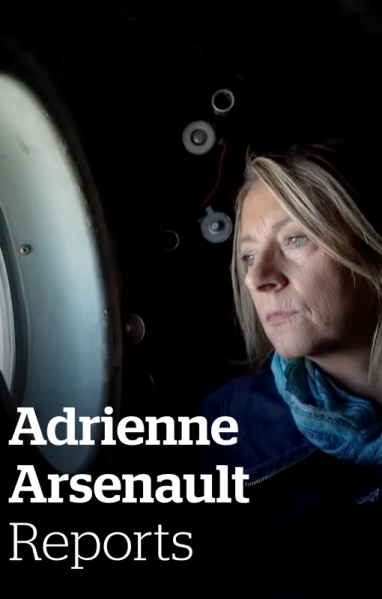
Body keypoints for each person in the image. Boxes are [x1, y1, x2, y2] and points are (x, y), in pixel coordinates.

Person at [198, 139, 382, 595]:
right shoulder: (225, 430)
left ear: (370, 246)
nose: (258, 277)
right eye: (247, 255)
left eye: (295, 239)